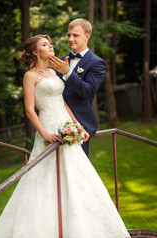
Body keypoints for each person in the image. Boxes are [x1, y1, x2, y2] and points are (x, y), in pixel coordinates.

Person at [0, 34, 130, 238]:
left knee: (77, 175)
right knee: (44, 177)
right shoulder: (30, 76)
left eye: (50, 43)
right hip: (48, 126)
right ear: (36, 52)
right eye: (45, 45)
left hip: (65, 125)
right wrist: (45, 133)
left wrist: (77, 125)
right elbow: (29, 110)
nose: (51, 46)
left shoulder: (55, 71)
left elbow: (63, 103)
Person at [48, 18, 106, 157]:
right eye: (69, 35)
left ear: (87, 36)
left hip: (79, 125)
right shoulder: (59, 61)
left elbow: (87, 91)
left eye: (75, 35)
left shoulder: (97, 63)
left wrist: (68, 72)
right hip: (54, 122)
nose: (71, 39)